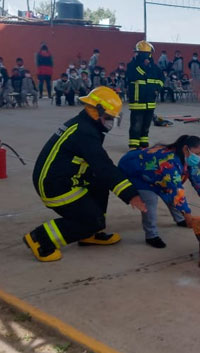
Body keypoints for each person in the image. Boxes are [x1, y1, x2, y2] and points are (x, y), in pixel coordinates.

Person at [23, 86, 147, 262]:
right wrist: (131, 195)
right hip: (55, 187)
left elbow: (100, 170)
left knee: (100, 182)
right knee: (93, 220)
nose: (110, 122)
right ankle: (41, 238)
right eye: (109, 117)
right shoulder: (85, 132)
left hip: (63, 177)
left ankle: (90, 233)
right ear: (97, 111)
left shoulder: (85, 124)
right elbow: (104, 166)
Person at [118, 135, 200, 248]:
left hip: (157, 176)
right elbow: (176, 190)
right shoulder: (169, 162)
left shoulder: (191, 162)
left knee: (171, 194)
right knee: (150, 202)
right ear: (185, 149)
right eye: (197, 154)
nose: (198, 157)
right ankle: (151, 235)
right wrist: (188, 215)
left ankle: (180, 219)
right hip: (137, 174)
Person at [126, 40, 164, 149]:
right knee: (136, 125)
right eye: (139, 53)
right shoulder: (132, 66)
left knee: (146, 125)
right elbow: (131, 76)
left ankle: (143, 144)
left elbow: (161, 79)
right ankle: (134, 146)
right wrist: (143, 66)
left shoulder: (155, 68)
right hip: (138, 101)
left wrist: (157, 88)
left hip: (150, 102)